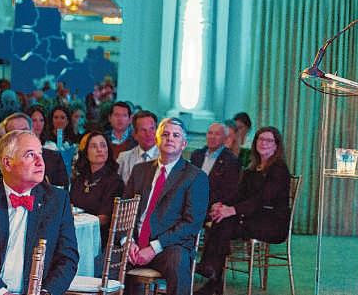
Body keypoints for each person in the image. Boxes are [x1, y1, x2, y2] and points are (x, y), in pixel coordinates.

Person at [0, 130, 79, 295]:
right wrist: (1, 293)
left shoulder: (57, 200)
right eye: (30, 155)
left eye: (40, 154)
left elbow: (67, 257)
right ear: (7, 163)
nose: (40, 162)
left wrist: (46, 292)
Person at [195, 126, 291, 295]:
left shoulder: (279, 169)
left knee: (225, 222)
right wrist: (221, 205)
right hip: (253, 216)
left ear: (276, 145)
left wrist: (232, 210)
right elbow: (238, 194)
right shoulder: (253, 168)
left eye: (269, 140)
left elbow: (262, 199)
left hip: (272, 222)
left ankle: (211, 273)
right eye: (261, 139)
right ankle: (213, 276)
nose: (264, 143)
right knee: (221, 219)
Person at [123, 117, 208, 295]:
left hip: (169, 246)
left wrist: (154, 247)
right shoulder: (139, 170)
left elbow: (191, 224)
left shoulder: (195, 177)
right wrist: (128, 241)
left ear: (183, 144)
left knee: (178, 263)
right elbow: (125, 211)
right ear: (157, 139)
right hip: (134, 245)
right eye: (165, 134)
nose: (170, 138)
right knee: (98, 264)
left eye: (176, 136)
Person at [70, 131, 123, 244]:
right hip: (74, 230)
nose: (100, 150)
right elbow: (70, 207)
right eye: (94, 146)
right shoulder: (79, 179)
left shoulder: (114, 181)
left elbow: (105, 218)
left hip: (98, 237)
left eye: (103, 146)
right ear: (85, 152)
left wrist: (80, 223)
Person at [190, 122, 241, 207]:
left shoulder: (231, 161)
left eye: (217, 134)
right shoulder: (197, 155)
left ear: (225, 138)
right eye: (210, 133)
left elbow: (228, 191)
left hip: (212, 205)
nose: (212, 137)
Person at [116, 110, 159, 184]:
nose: (148, 134)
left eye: (152, 129)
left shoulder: (167, 157)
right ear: (135, 135)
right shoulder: (124, 158)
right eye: (143, 130)